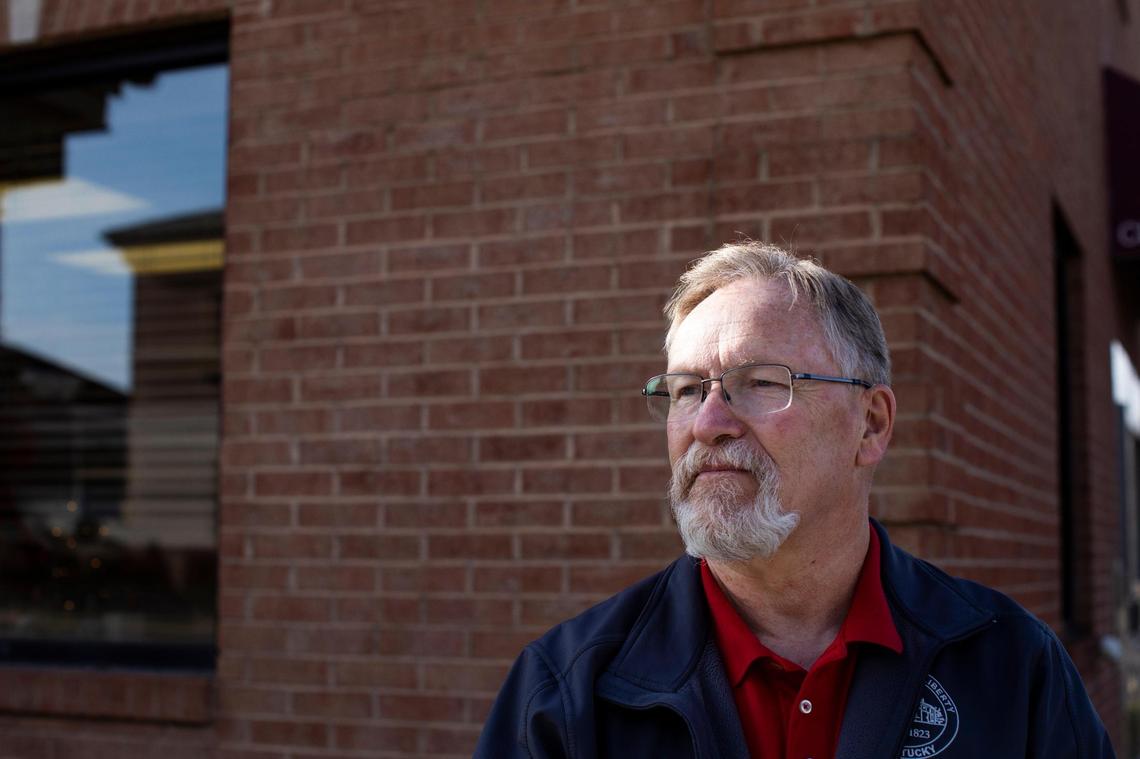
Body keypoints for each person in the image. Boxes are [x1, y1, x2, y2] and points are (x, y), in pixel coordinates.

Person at [473, 242, 1115, 758]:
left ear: (870, 424)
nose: (708, 422)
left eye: (758, 383)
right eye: (688, 390)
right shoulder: (563, 697)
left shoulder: (1012, 669)